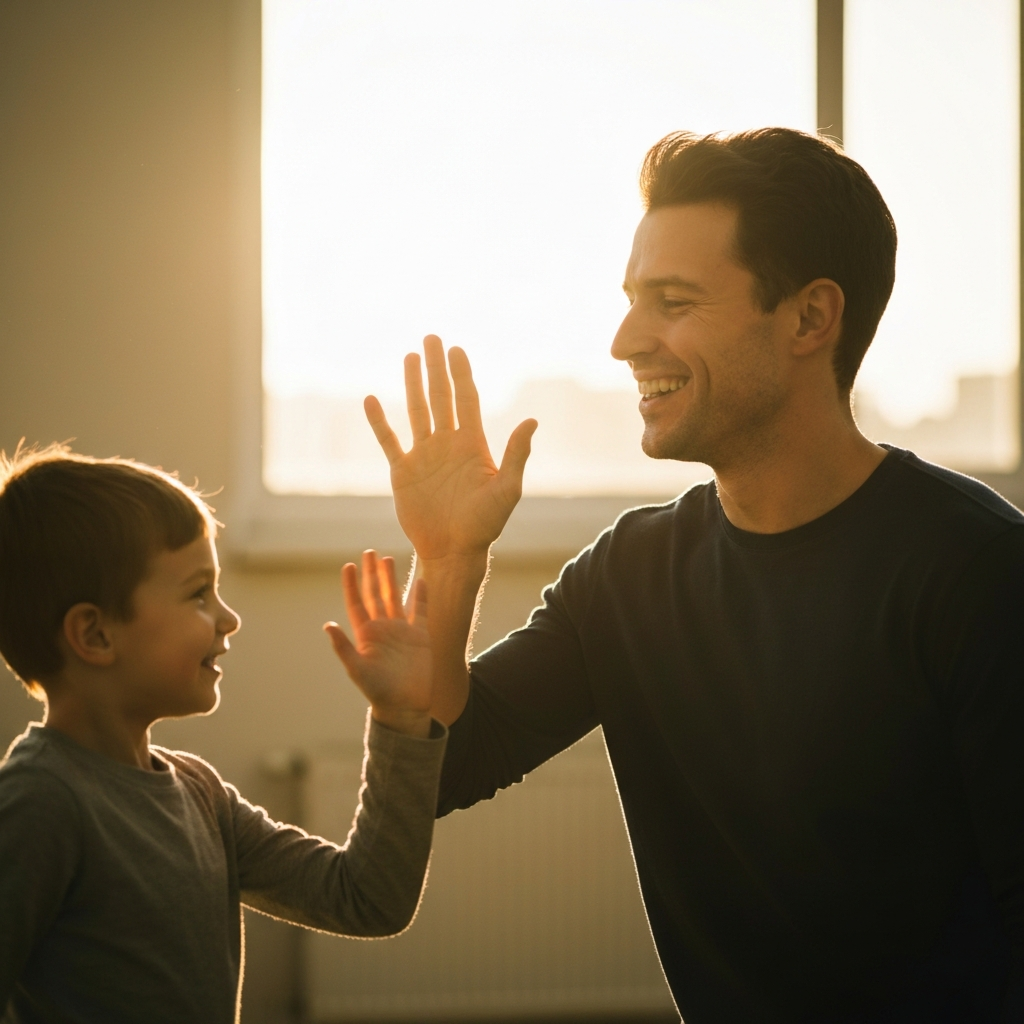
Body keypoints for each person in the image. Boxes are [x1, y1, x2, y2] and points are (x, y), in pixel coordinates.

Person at [364, 129, 1024, 1022]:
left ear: (809, 318)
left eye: (672, 302)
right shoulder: (627, 577)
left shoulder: (977, 571)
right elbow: (445, 766)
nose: (626, 341)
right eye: (634, 301)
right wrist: (449, 563)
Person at [0, 445, 446, 1023]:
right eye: (197, 593)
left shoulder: (201, 796)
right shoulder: (41, 803)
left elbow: (368, 899)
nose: (228, 618)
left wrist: (401, 720)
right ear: (95, 634)